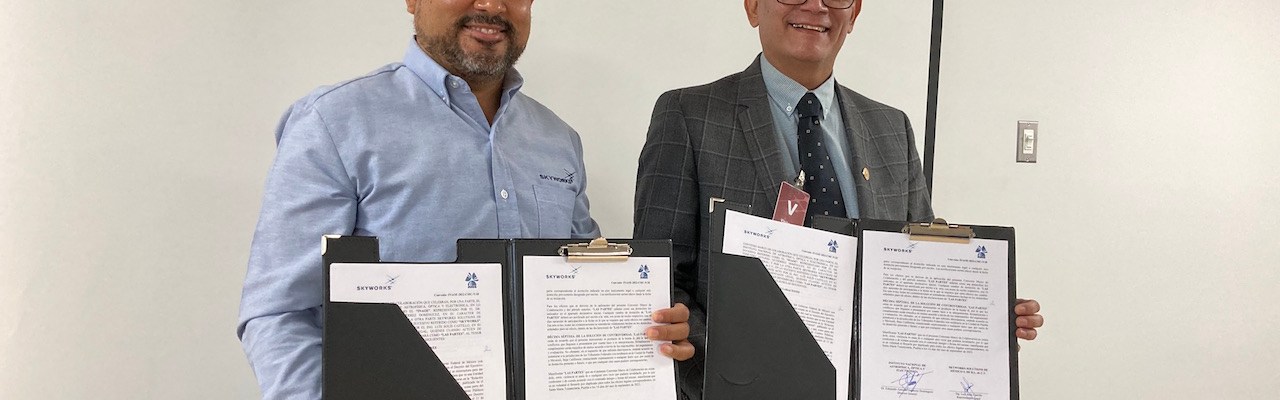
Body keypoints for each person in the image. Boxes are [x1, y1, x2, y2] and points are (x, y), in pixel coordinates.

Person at [237, 1, 691, 398]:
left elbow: (582, 283)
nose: (492, 6)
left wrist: (643, 324)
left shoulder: (558, 139)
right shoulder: (334, 122)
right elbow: (280, 313)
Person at [633, 0, 1043, 397]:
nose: (816, 6)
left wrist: (980, 317)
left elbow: (918, 272)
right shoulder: (688, 115)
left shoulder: (892, 129)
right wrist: (720, 368)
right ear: (753, 6)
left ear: (854, 13)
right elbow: (660, 278)